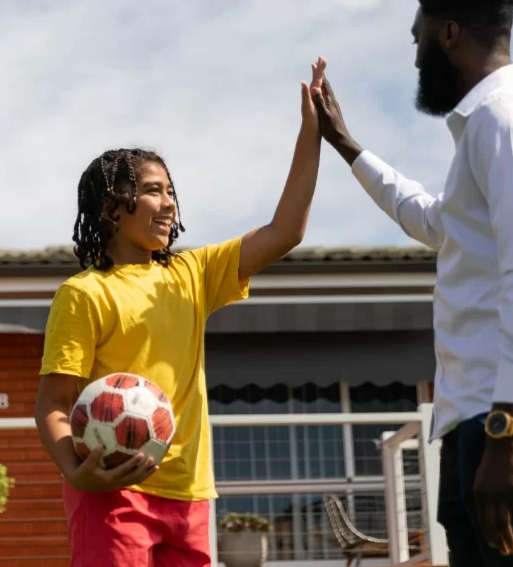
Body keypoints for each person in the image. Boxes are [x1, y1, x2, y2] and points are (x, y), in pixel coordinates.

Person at [312, 0, 513, 566]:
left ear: (447, 34)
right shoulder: (487, 126)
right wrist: (348, 146)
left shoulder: (506, 119)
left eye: (417, 37)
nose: (415, 57)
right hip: (482, 417)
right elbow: (438, 223)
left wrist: (509, 427)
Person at [34, 59, 327, 566]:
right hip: (111, 492)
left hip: (190, 495)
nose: (168, 203)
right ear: (112, 208)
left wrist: (312, 134)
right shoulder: (84, 294)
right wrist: (75, 470)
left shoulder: (193, 273)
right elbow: (53, 404)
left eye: (171, 191)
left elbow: (286, 232)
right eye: (153, 190)